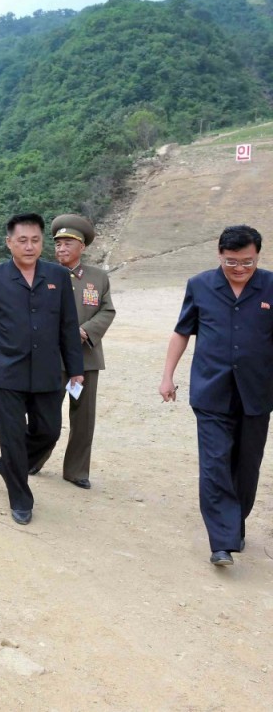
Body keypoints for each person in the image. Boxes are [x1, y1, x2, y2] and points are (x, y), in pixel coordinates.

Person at [159, 225, 271, 567]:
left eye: (247, 262)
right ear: (219, 255)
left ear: (258, 256)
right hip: (211, 391)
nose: (239, 268)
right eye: (231, 261)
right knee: (214, 463)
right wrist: (168, 376)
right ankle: (221, 541)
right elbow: (182, 332)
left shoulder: (270, 285)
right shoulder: (200, 286)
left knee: (246, 465)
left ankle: (234, 522)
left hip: (257, 391)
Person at [0, 213, 83, 525]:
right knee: (12, 436)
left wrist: (76, 368)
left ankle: (9, 465)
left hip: (46, 371)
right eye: (22, 241)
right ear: (9, 243)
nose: (29, 247)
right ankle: (20, 497)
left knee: (49, 431)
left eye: (35, 240)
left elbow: (68, 326)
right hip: (6, 371)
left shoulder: (57, 276)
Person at [29, 214, 115, 489]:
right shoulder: (43, 274)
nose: (62, 249)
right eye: (58, 244)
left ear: (82, 247)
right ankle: (34, 459)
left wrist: (85, 330)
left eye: (68, 244)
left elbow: (107, 310)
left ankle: (77, 470)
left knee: (83, 417)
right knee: (45, 413)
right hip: (52, 357)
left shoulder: (98, 278)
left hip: (86, 357)